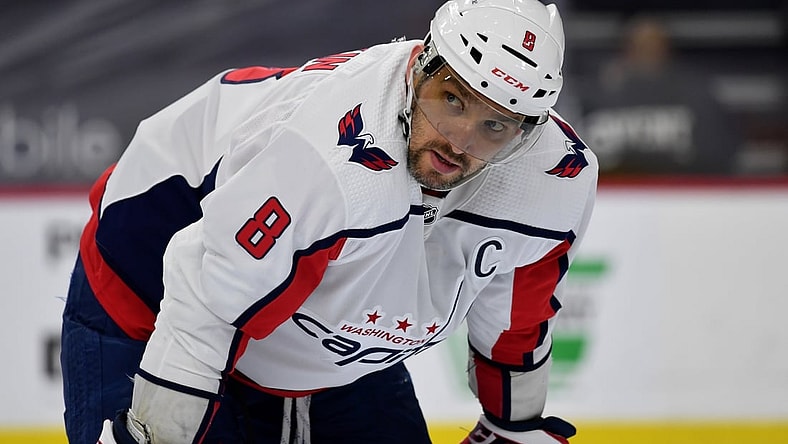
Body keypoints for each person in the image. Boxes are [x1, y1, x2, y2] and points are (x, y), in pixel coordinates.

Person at [60, 0, 597, 442]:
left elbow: (516, 320)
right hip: (148, 301)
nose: (457, 142)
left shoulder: (552, 179)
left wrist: (513, 427)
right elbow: (205, 306)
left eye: (494, 125)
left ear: (529, 132)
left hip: (325, 347)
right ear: (419, 67)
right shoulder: (328, 158)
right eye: (451, 101)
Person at [578, 15, 741, 176]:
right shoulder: (597, 96)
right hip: (617, 193)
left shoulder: (696, 94)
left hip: (681, 191)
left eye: (653, 45)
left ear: (666, 48)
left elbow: (720, 153)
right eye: (640, 46)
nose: (647, 53)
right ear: (626, 49)